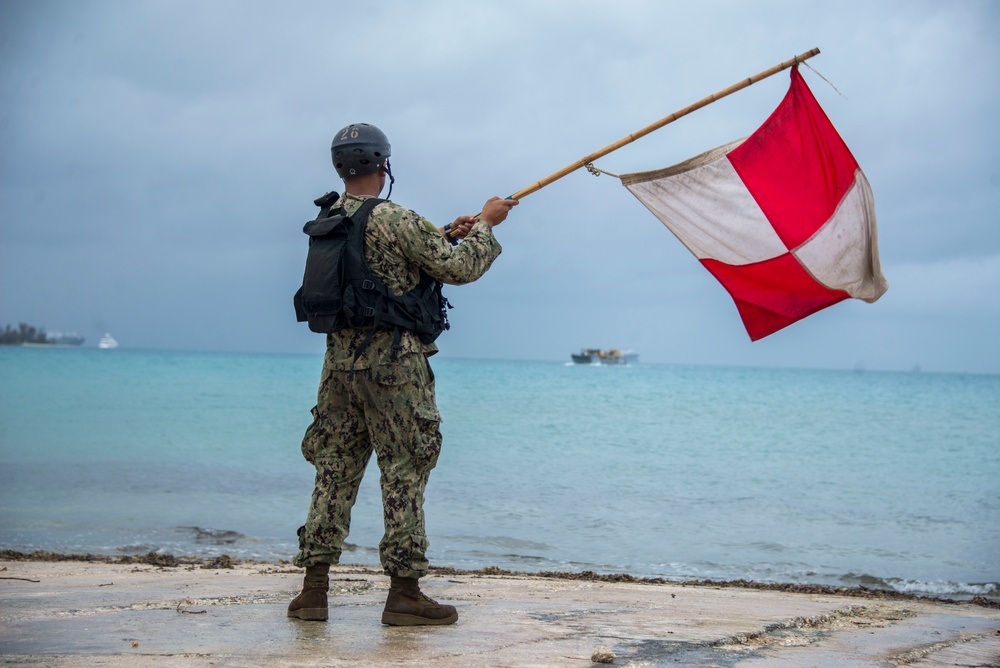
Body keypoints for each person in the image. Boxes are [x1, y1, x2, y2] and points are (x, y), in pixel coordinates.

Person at [288, 122, 517, 626]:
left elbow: (379, 261)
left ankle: (312, 591)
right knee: (406, 469)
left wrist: (444, 233)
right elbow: (458, 271)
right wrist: (486, 225)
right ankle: (405, 592)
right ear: (383, 164)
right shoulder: (397, 217)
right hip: (394, 365)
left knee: (334, 469)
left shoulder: (330, 217)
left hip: (338, 366)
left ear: (340, 167)